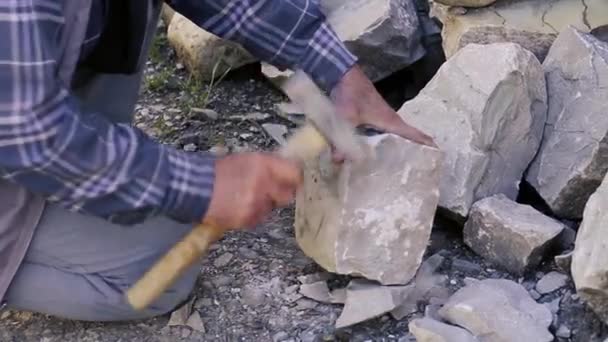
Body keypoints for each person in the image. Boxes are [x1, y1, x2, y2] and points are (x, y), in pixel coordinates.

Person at [0, 0, 435, 322]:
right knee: (159, 269)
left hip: (22, 91)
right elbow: (20, 126)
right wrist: (203, 185)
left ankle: (68, 180)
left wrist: (337, 68)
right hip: (15, 122)